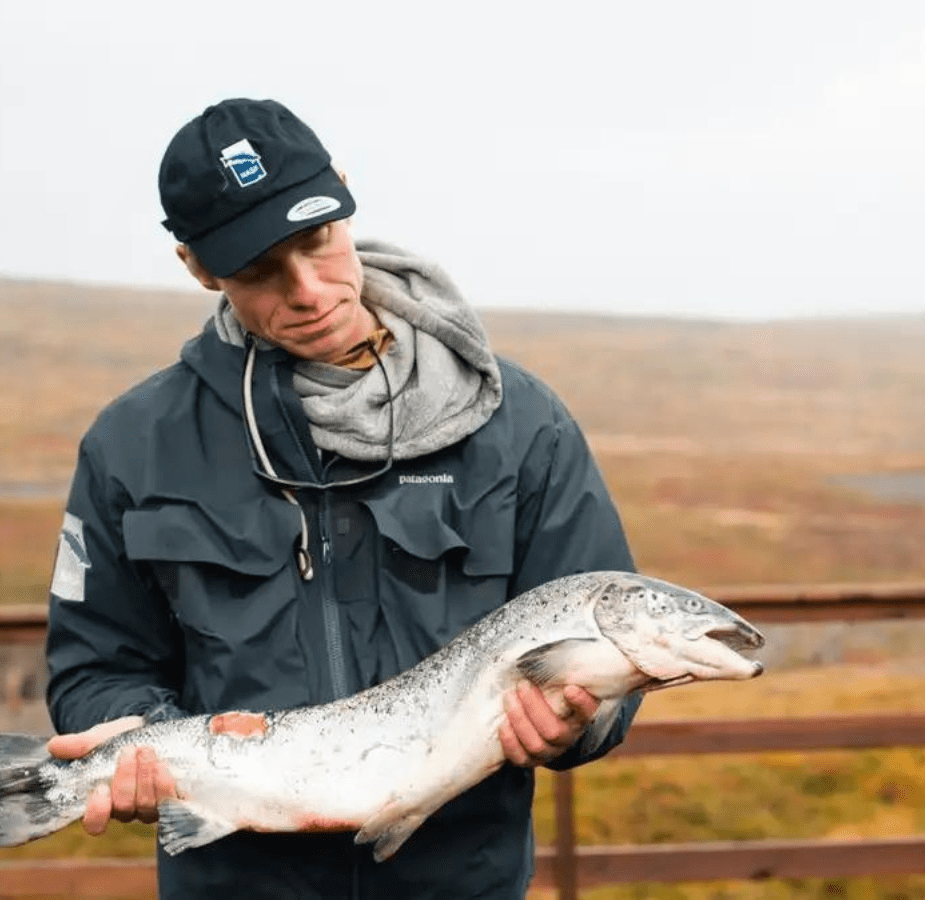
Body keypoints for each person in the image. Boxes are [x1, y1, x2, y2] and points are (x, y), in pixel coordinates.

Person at [39, 97, 640, 899]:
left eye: (316, 241)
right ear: (197, 267)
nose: (309, 290)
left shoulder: (521, 424)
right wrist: (147, 741)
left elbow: (605, 640)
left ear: (344, 195)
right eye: (259, 270)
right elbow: (96, 666)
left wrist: (578, 722)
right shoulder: (133, 446)